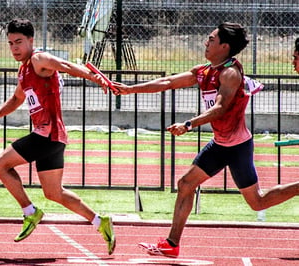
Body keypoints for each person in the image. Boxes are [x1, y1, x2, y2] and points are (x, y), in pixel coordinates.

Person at [113, 22, 299, 258]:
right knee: (185, 184)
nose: (205, 42)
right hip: (219, 145)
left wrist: (189, 124)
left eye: (211, 39)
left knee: (257, 203)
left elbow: (220, 109)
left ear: (224, 46)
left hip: (238, 147)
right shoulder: (203, 71)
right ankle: (172, 243)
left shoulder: (230, 73)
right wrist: (130, 90)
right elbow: (168, 82)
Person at [0, 19, 116, 255]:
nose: (14, 48)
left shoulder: (39, 59)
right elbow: (17, 100)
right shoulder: (24, 70)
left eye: (19, 42)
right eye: (10, 43)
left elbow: (63, 64)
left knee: (0, 166)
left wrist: (96, 78)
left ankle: (30, 213)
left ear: (31, 41)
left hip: (46, 135)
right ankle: (99, 222)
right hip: (55, 138)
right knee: (54, 193)